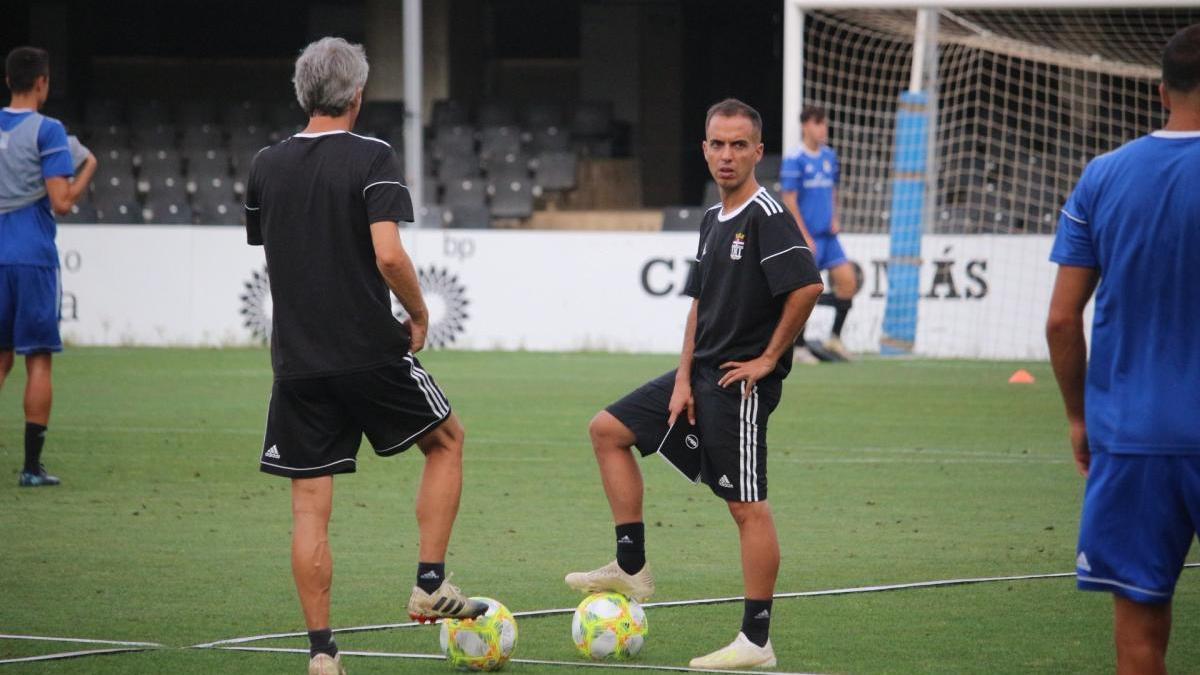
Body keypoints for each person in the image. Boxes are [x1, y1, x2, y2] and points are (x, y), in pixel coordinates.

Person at [244, 37, 486, 675]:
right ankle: (431, 581)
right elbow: (387, 254)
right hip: (367, 350)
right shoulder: (372, 155)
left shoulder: (266, 165)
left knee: (308, 508)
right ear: (357, 95)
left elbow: (268, 242)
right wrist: (420, 311)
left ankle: (323, 653)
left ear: (304, 93)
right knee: (448, 440)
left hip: (296, 361)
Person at [565, 99, 823, 670]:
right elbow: (699, 305)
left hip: (738, 385)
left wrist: (768, 359)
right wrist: (681, 378)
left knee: (747, 507)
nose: (726, 155)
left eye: (738, 145)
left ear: (758, 151)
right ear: (704, 148)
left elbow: (807, 285)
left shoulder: (766, 214)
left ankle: (756, 641)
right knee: (608, 430)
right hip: (699, 374)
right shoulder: (713, 218)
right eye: (717, 144)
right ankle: (630, 565)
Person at [1046, 23, 1200, 675]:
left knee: (1139, 637)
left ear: (1161, 90)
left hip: (1132, 436)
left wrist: (1080, 417)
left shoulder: (1103, 176)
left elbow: (1060, 320)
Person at [0, 46, 97, 487]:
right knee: (38, 359)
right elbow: (60, 202)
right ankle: (31, 467)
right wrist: (87, 170)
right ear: (42, 82)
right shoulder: (48, 130)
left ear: (8, 81)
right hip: (31, 254)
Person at [780, 105, 857, 363]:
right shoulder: (795, 159)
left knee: (848, 282)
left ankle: (834, 338)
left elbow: (832, 189)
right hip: (807, 238)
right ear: (806, 126)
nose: (823, 128)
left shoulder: (829, 157)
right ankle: (799, 346)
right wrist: (803, 235)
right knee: (805, 292)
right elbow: (789, 200)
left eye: (824, 123)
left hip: (829, 237)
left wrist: (834, 216)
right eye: (818, 123)